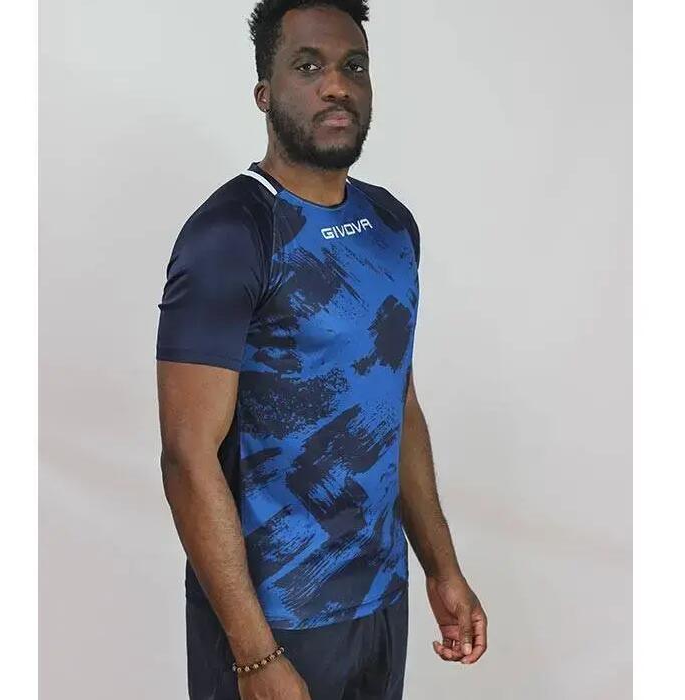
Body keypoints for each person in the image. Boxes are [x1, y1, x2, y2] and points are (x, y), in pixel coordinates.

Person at [155, 1, 488, 698]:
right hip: (272, 621)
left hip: (380, 600)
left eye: (353, 66)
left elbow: (396, 403)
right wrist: (255, 655)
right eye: (308, 67)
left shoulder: (390, 223)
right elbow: (187, 456)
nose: (336, 85)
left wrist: (441, 567)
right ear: (264, 93)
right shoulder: (233, 233)